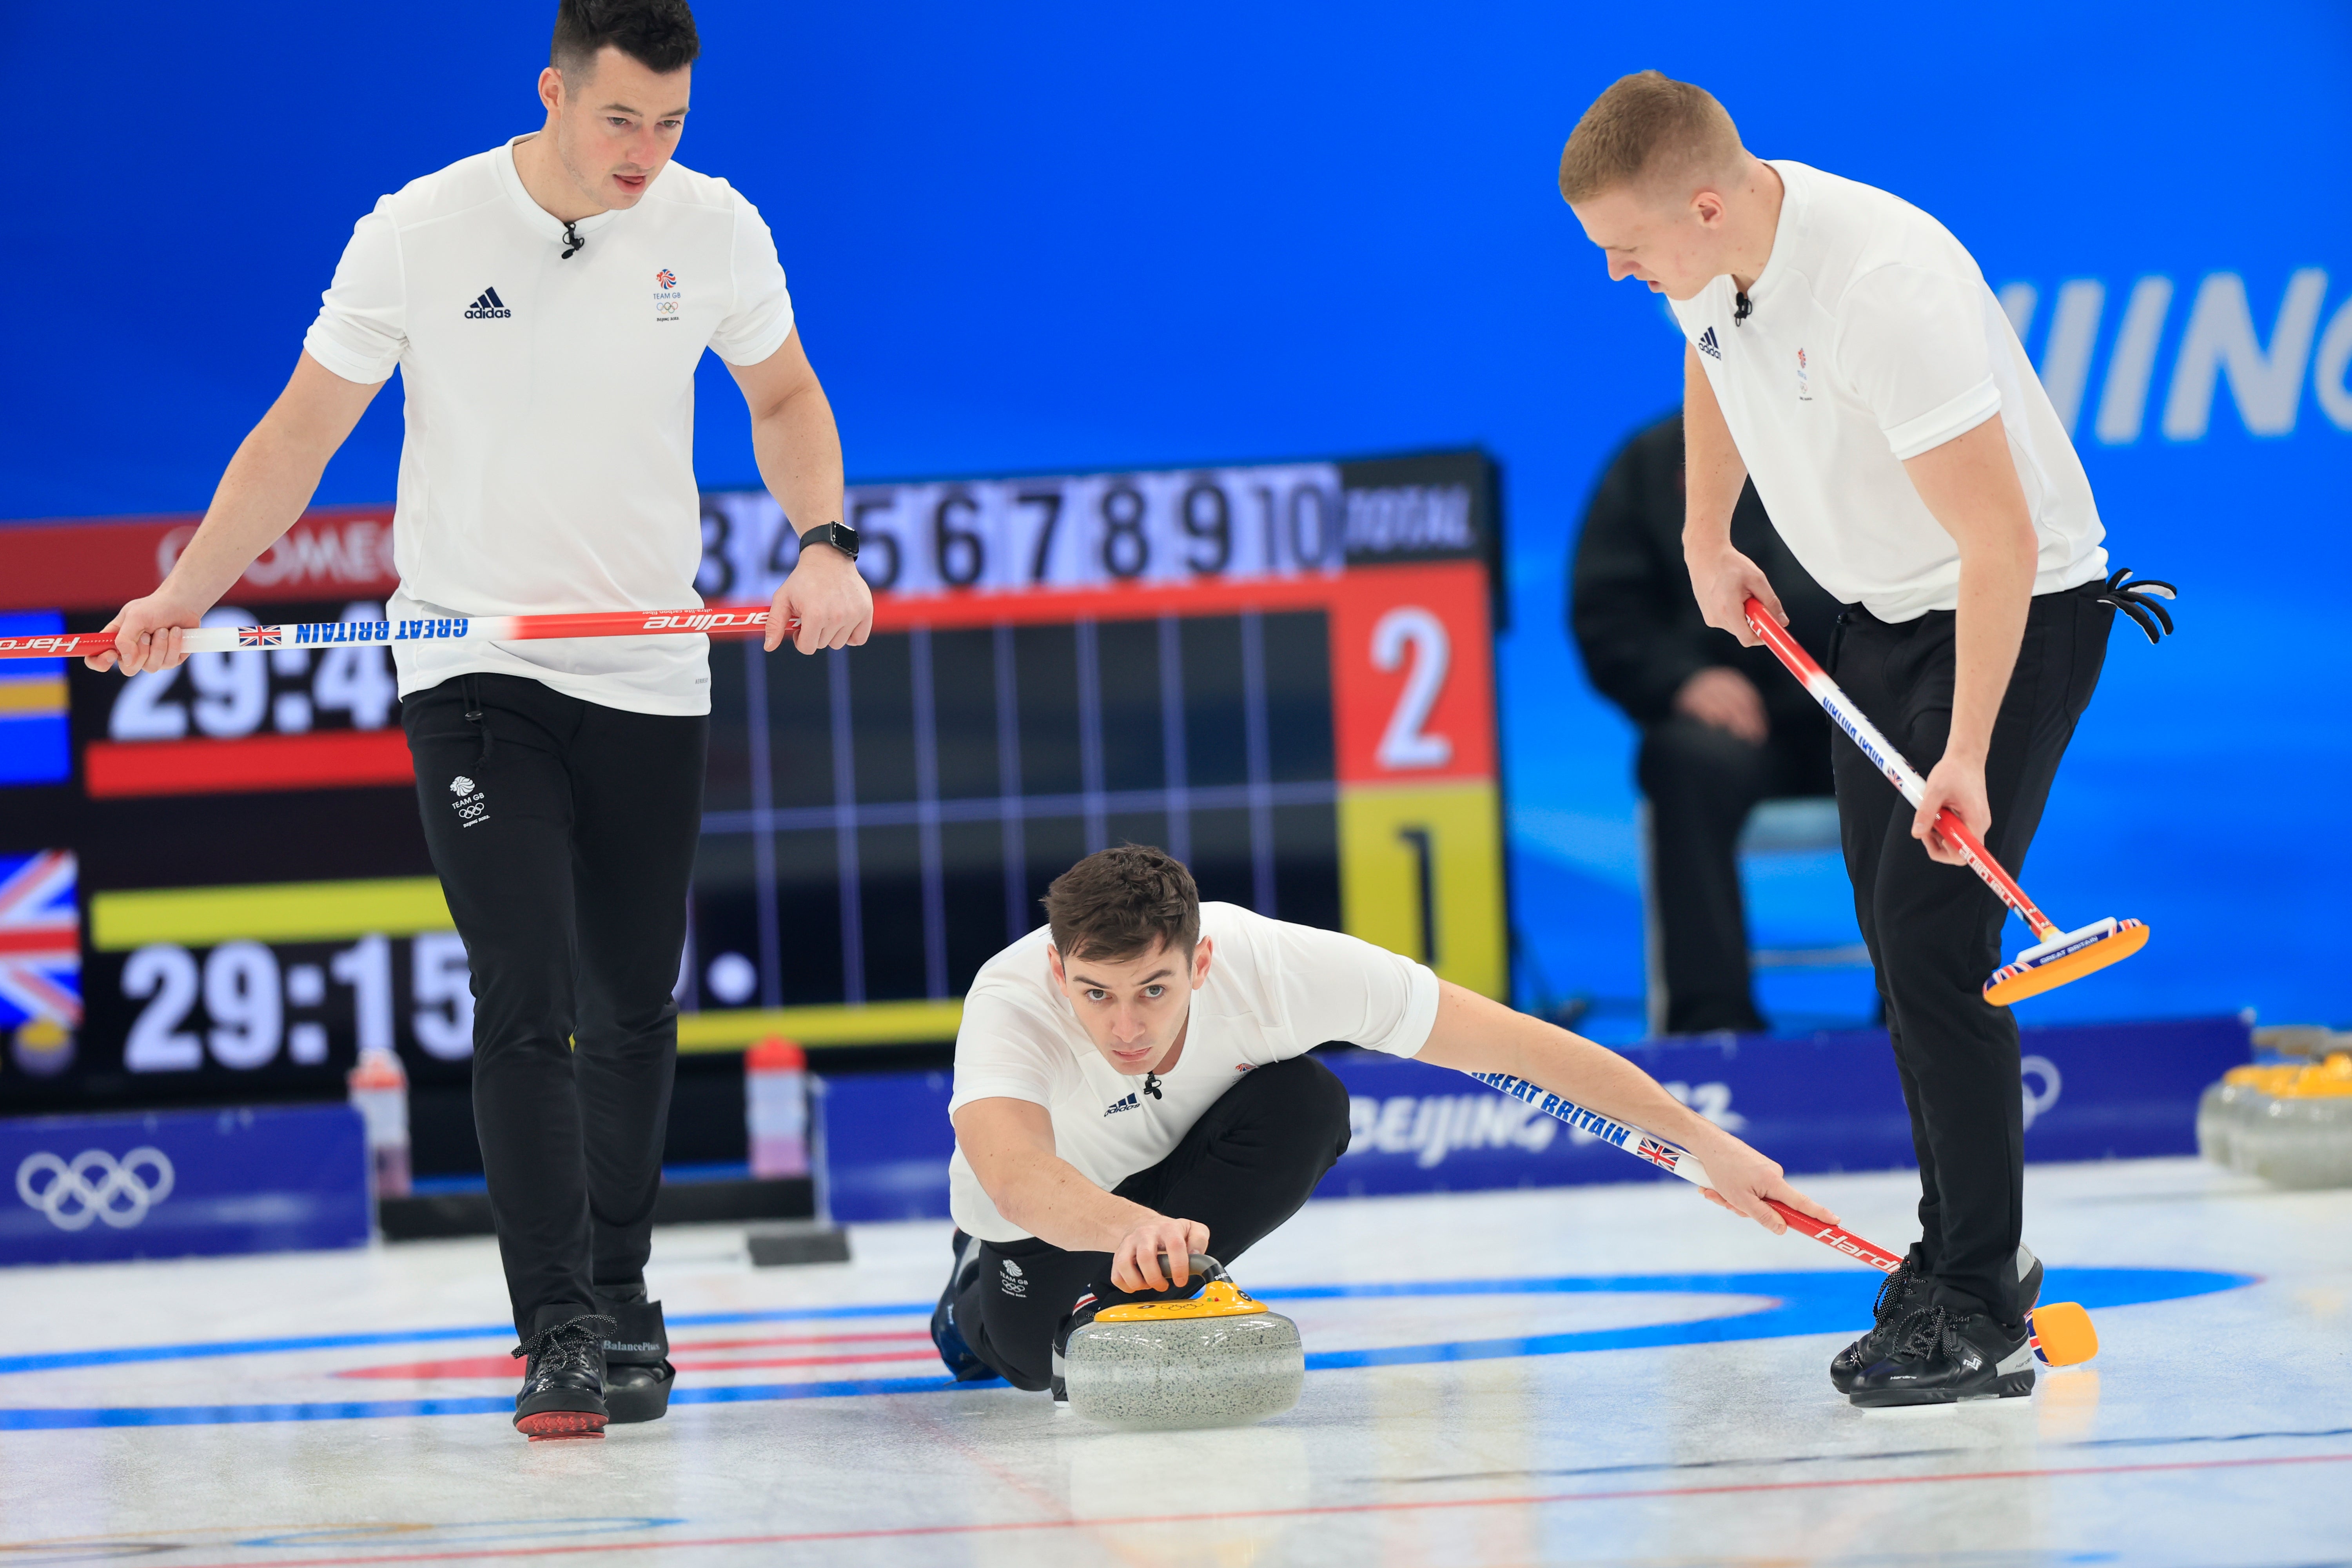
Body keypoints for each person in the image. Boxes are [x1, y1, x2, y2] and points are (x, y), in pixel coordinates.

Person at [84, 0, 875, 1438]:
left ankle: (625, 1295)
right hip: (469, 673)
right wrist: (183, 594)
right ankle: (557, 1330)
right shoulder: (418, 229)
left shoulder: (719, 228)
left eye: (672, 124)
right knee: (525, 993)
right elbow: (298, 435)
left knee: (633, 1006)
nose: (646, 153)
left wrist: (826, 539)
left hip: (645, 671)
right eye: (621, 118)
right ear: (555, 94)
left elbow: (786, 394)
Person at [1557, 72, 2172, 1405]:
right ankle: (1962, 1258)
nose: (1618, 270)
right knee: (1900, 952)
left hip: (2011, 614)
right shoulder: (1714, 251)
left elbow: (2002, 543)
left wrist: (1968, 750)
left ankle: (1980, 1296)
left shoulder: (1883, 287)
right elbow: (1706, 355)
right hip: (1876, 620)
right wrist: (1705, 536)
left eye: (1627, 245)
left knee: (1937, 949)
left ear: (1704, 204)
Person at [932, 843, 1838, 1396]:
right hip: (1040, 1222)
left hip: (1168, 1188)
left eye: (1154, 989)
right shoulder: (1014, 997)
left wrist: (1707, 1143)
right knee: (1022, 1363)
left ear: (1201, 961)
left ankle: (1151, 1294)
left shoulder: (1280, 966)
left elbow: (1519, 1044)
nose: (1125, 1026)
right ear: (1061, 975)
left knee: (1309, 1101)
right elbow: (1015, 1174)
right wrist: (1134, 1227)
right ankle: (970, 1300)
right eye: (1096, 994)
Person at [1571, 412, 1839, 1034]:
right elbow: (1607, 608)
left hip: (1861, 707)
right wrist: (1681, 679)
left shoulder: (1856, 431)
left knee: (1918, 747)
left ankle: (1919, 1013)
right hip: (1736, 727)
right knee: (1685, 760)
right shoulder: (1653, 459)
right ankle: (1714, 1028)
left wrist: (1889, 678)